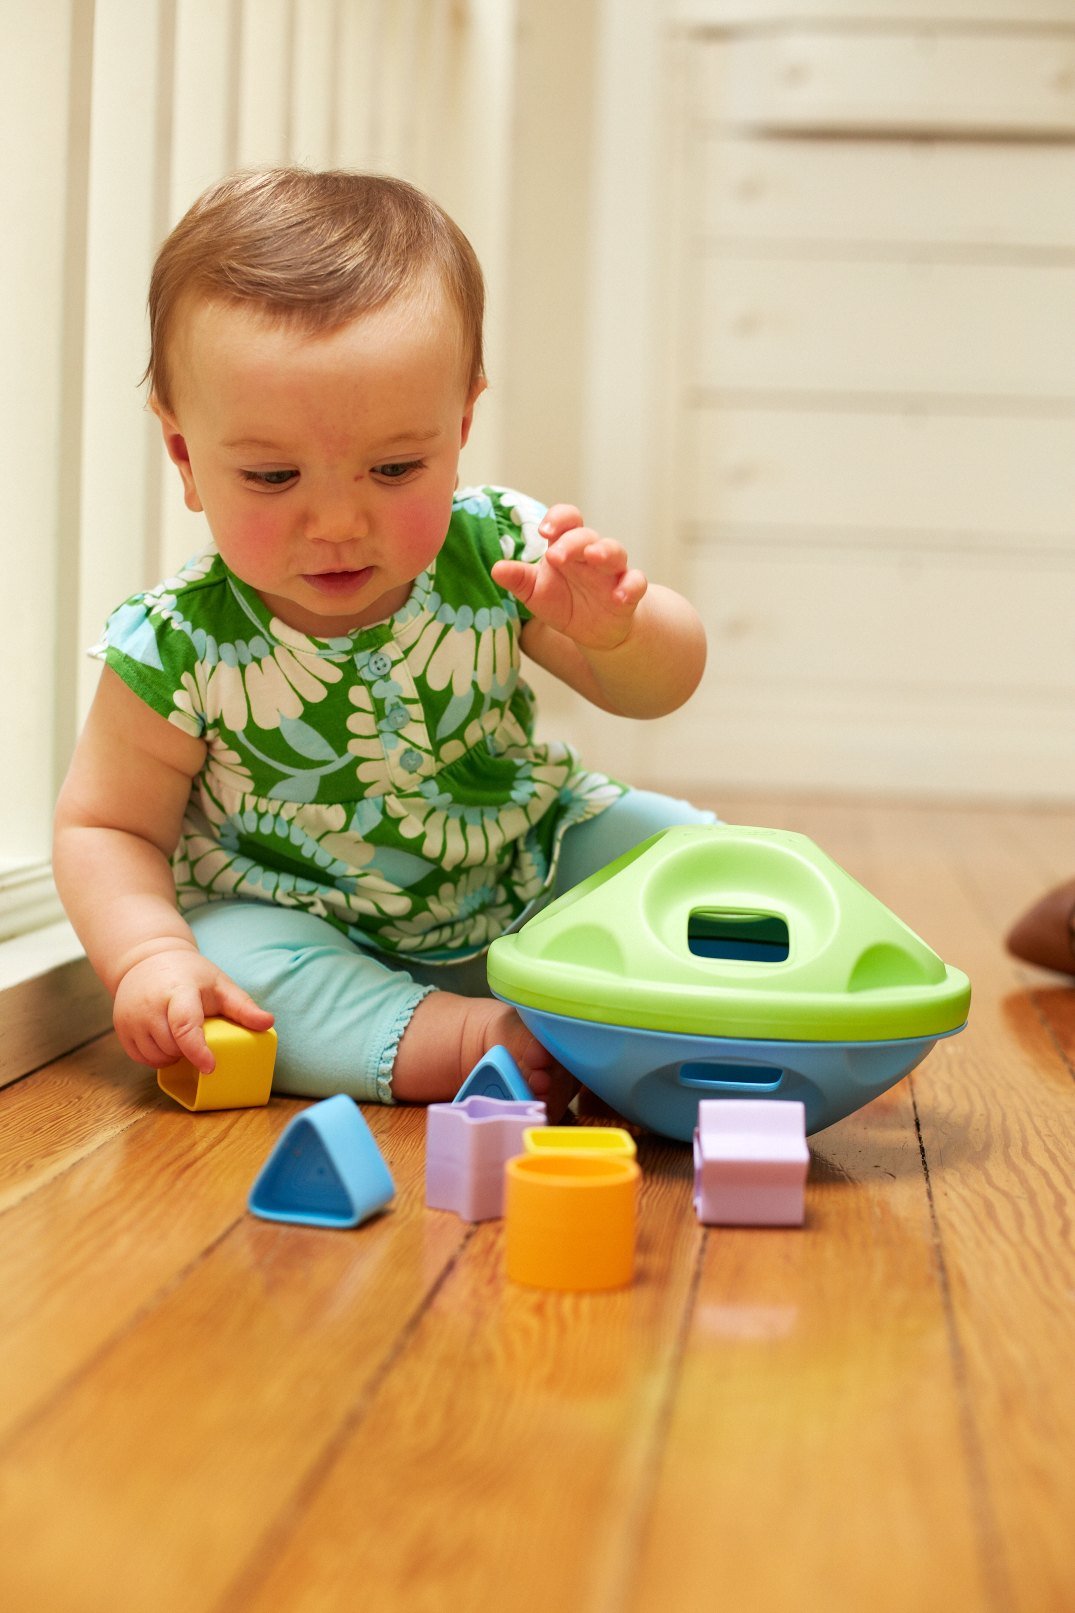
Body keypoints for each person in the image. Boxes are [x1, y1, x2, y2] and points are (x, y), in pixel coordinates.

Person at [53, 168, 710, 1114]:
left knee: (682, 855)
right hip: (309, 926)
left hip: (525, 860)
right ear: (187, 457)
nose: (336, 523)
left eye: (396, 467)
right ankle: (464, 1039)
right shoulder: (176, 645)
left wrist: (619, 632)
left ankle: (763, 994)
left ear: (462, 426)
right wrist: (149, 956)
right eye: (274, 476)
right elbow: (105, 825)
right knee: (236, 963)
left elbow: (660, 687)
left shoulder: (499, 551)